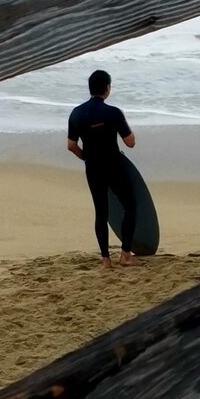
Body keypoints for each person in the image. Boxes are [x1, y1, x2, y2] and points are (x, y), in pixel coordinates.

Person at [67, 70, 137, 269]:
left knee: (101, 212)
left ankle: (105, 260)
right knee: (130, 206)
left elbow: (71, 145)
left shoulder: (77, 113)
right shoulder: (113, 113)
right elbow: (130, 142)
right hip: (114, 165)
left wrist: (86, 158)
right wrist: (124, 122)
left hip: (93, 167)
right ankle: (125, 255)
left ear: (90, 88)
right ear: (107, 88)